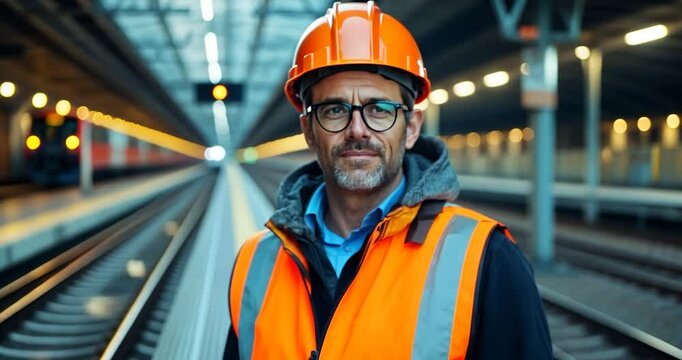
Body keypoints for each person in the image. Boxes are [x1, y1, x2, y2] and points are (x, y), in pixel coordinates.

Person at [224, 2, 552, 359]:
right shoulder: (256, 264)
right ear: (308, 130)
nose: (357, 130)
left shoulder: (486, 259)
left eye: (379, 109)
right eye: (334, 110)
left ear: (411, 128)